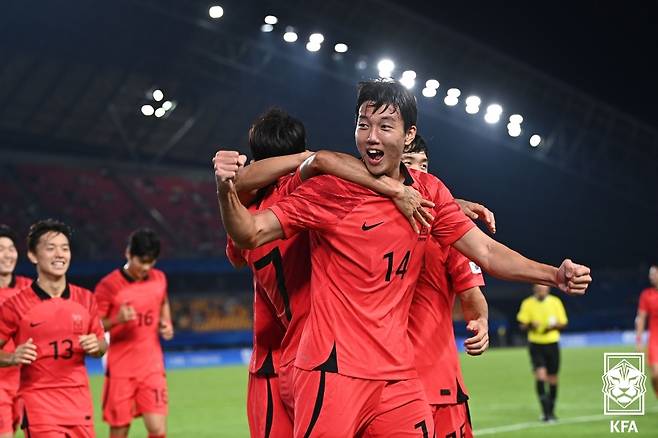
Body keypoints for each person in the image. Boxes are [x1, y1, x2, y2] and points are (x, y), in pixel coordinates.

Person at [215, 79, 591, 437]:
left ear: (409, 135)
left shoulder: (429, 192)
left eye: (385, 126)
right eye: (364, 125)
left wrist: (553, 274)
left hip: (398, 375)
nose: (372, 136)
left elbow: (487, 251)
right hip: (332, 371)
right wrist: (225, 189)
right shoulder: (332, 190)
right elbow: (250, 232)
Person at [224, 107, 436, 436]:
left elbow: (238, 208)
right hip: (327, 358)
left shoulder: (245, 217)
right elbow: (333, 166)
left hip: (271, 361)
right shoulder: (310, 193)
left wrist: (229, 184)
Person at [404, 135, 490, 438]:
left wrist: (479, 321)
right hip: (381, 385)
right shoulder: (360, 221)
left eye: (424, 165)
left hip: (437, 383)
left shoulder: (448, 229)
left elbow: (471, 292)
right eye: (409, 163)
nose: (420, 172)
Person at [0, 219, 106, 437]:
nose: (59, 254)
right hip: (40, 405)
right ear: (32, 255)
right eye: (51, 248)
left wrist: (97, 347)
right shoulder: (16, 305)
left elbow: (101, 345)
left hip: (80, 405)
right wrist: (11, 358)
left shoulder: (86, 299)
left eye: (64, 248)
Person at [94, 228, 173, 438]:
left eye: (151, 262)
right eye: (142, 261)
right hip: (121, 368)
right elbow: (93, 325)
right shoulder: (108, 286)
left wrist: (166, 322)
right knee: (119, 429)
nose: (146, 268)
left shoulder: (159, 278)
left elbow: (163, 300)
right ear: (128, 253)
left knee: (157, 429)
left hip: (152, 366)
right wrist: (115, 320)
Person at [516, 284, 568, 422]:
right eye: (539, 289)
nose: (541, 292)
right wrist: (530, 325)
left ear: (548, 290)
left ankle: (551, 411)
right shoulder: (527, 303)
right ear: (534, 290)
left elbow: (563, 323)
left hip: (552, 343)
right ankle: (545, 412)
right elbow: (521, 324)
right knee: (540, 376)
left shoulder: (555, 302)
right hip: (536, 344)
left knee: (552, 378)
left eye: (544, 289)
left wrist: (553, 327)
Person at [0, 225, 31, 438]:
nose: (8, 254)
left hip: (28, 382)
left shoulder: (30, 289)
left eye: (11, 248)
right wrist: (12, 358)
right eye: (1, 249)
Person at [635, 263, 658, 398]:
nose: (652, 277)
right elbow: (641, 318)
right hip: (655, 340)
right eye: (650, 274)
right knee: (655, 374)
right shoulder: (646, 295)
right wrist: (639, 341)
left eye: (654, 274)